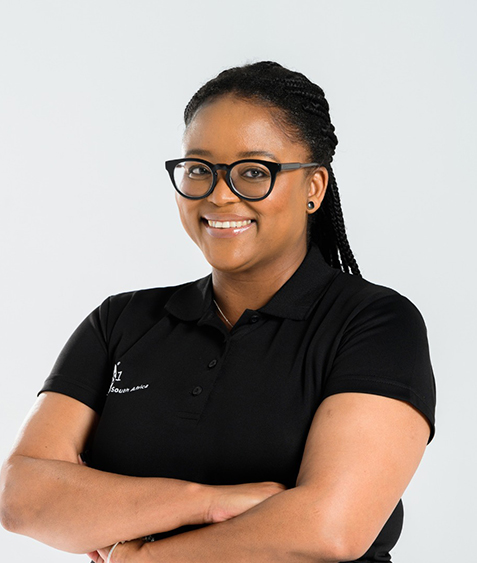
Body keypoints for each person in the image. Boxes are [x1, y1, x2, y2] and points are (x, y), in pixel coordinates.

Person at [0, 61, 436, 563]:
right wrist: (208, 503)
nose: (220, 194)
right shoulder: (120, 322)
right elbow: (21, 497)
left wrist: (143, 557)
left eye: (253, 172)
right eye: (199, 169)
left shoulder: (375, 324)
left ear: (313, 188)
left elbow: (331, 528)